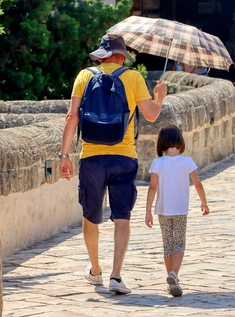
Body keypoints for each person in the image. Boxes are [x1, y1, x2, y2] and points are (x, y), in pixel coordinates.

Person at [59, 34, 168, 295]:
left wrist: (64, 156)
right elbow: (151, 115)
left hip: (91, 156)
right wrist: (159, 96)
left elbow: (72, 116)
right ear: (122, 55)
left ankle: (95, 270)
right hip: (124, 155)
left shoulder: (84, 76)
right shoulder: (133, 77)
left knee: (90, 215)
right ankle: (116, 276)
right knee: (122, 217)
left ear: (101, 55)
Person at [145, 124, 210, 297]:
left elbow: (152, 188)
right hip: (180, 210)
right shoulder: (187, 162)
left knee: (167, 245)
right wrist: (204, 203)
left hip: (163, 210)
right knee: (179, 243)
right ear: (179, 141)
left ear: (161, 143)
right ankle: (174, 275)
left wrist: (148, 211)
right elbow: (198, 184)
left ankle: (171, 278)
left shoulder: (157, 163)